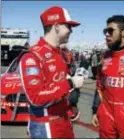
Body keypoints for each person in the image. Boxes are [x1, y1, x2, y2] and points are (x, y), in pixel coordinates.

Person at [18, 6, 85, 138]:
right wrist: (70, 84)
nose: (71, 31)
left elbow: (58, 89)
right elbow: (35, 98)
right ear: (57, 26)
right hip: (45, 127)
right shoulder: (32, 56)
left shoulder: (60, 54)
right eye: (68, 26)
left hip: (64, 123)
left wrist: (70, 109)